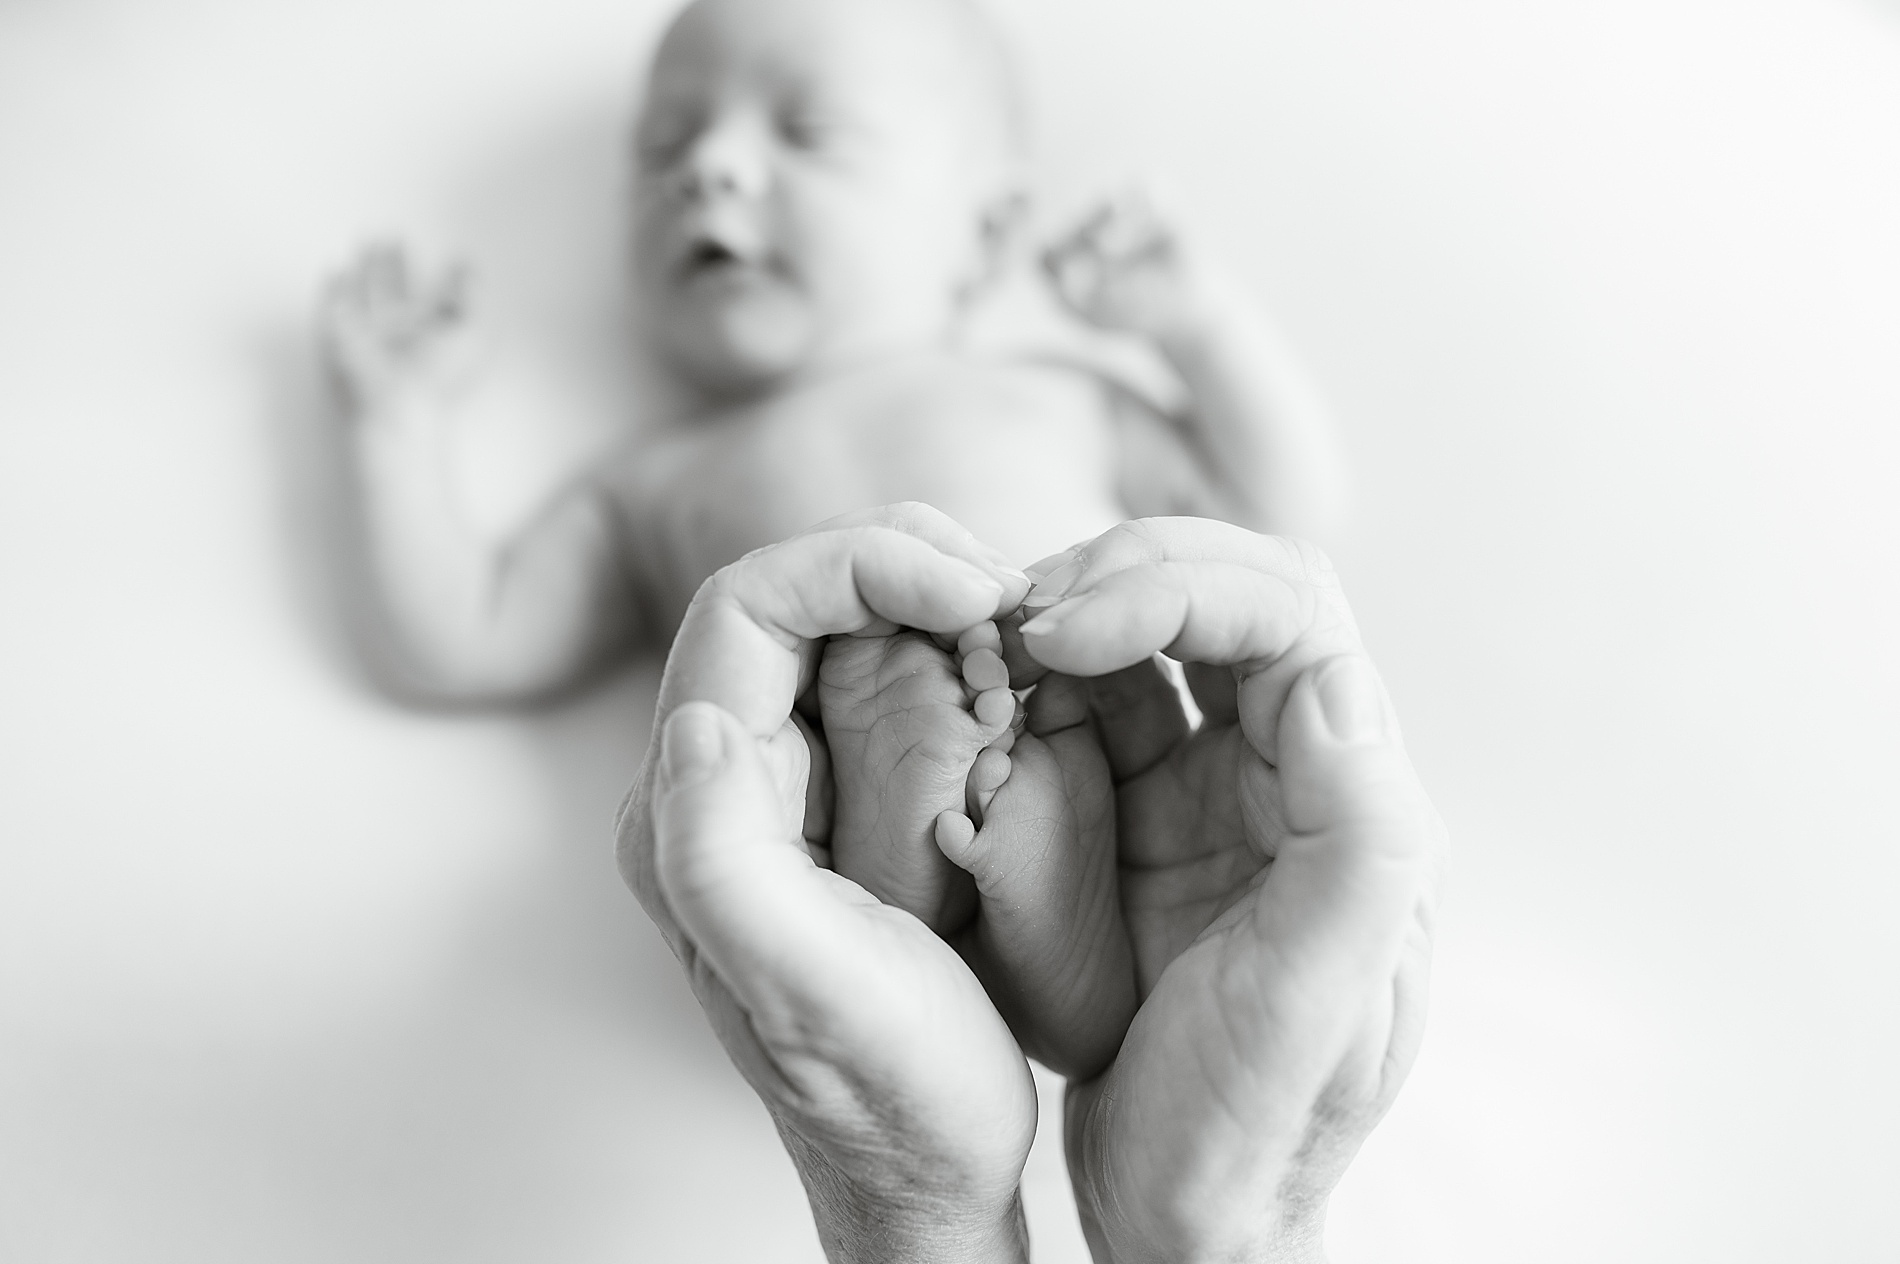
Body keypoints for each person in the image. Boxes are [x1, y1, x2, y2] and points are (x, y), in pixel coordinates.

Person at [319, 0, 1343, 711]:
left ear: (983, 236)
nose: (708, 167)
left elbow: (1280, 515)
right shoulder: (651, 487)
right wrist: (395, 424)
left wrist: (1197, 326)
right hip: (844, 896)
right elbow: (459, 640)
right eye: (664, 145)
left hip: (1124, 796)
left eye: (807, 131)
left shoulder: (1056, 399)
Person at [616, 503, 1443, 1263]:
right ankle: (950, 858)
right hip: (1022, 681)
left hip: (1072, 694)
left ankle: (982, 869)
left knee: (985, 729)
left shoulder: (1059, 370)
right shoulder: (662, 476)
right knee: (987, 738)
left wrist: (1189, 335)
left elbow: (1292, 487)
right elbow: (494, 617)